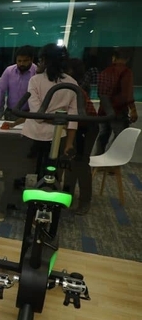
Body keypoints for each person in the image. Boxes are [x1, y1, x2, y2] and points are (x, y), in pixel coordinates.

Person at [0, 44, 78, 222]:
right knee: (47, 177)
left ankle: (3, 210)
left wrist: (53, 121)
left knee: (15, 171)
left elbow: (37, 114)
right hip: (57, 136)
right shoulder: (71, 83)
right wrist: (63, 127)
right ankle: (35, 214)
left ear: (44, 61)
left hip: (34, 136)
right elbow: (71, 118)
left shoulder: (36, 80)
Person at [65, 58, 97, 215]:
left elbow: (80, 115)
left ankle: (85, 201)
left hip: (86, 127)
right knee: (70, 161)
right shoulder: (68, 86)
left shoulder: (75, 89)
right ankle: (67, 196)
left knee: (81, 164)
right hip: (75, 126)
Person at [95, 47, 138, 154]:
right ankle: (112, 161)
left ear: (113, 58)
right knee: (120, 139)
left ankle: (97, 160)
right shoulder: (126, 72)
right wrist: (133, 110)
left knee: (102, 138)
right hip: (118, 112)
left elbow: (100, 93)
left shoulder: (104, 72)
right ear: (127, 59)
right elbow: (127, 93)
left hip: (103, 111)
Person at [0, 45, 37, 120]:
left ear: (31, 59)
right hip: (11, 113)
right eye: (19, 61)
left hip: (29, 113)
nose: (21, 64)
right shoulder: (9, 71)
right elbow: (0, 91)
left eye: (25, 61)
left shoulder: (36, 72)